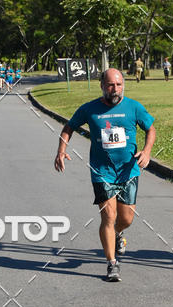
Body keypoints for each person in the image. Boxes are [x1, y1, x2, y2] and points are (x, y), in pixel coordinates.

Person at [54, 68, 156, 282]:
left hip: (129, 170)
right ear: (102, 86)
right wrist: (61, 151)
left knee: (126, 219)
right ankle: (112, 264)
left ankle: (119, 234)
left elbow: (151, 129)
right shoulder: (89, 109)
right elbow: (69, 127)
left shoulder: (134, 107)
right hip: (101, 172)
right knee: (108, 217)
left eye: (119, 85)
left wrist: (146, 151)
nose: (115, 89)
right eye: (110, 85)